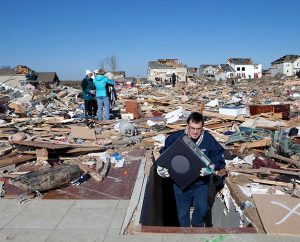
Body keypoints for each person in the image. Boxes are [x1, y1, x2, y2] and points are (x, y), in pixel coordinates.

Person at [156, 112, 225, 227]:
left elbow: (219, 157)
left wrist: (212, 167)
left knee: (202, 209)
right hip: (180, 183)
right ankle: (185, 235)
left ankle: (196, 227)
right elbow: (164, 154)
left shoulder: (208, 139)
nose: (195, 132)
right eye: (192, 128)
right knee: (182, 214)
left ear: (202, 127)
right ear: (187, 125)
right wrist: (160, 168)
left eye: (198, 129)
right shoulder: (175, 138)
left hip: (201, 183)